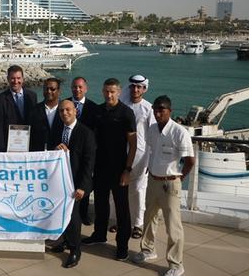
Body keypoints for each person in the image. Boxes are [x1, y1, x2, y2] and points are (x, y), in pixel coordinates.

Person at [133, 96, 195, 276]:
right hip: (153, 180)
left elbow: (190, 161)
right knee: (149, 218)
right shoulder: (152, 129)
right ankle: (148, 250)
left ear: (170, 111)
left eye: (162, 110)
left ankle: (176, 264)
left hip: (170, 183)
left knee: (173, 226)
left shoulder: (179, 132)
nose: (158, 113)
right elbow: (152, 152)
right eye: (156, 110)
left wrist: (179, 178)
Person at [82, 78, 137, 262]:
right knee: (100, 204)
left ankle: (123, 246)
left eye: (112, 91)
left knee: (122, 210)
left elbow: (133, 144)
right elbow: (89, 138)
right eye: (106, 91)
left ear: (119, 92)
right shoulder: (97, 111)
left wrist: (127, 170)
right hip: (100, 167)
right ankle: (99, 234)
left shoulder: (126, 113)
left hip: (119, 168)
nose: (109, 95)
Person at [50, 100, 96, 268]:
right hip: (60, 181)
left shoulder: (86, 133)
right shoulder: (56, 130)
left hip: (77, 183)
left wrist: (82, 187)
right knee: (61, 214)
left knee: (74, 217)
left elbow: (88, 163)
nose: (65, 113)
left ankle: (75, 250)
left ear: (75, 111)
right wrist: (56, 150)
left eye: (68, 110)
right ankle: (66, 241)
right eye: (61, 110)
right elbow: (49, 152)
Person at [119, 74, 155, 239]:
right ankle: (117, 220)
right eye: (133, 86)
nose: (135, 89)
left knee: (139, 189)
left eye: (139, 87)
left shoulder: (148, 108)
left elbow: (153, 135)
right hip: (121, 152)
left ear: (144, 89)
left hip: (141, 156)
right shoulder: (123, 105)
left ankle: (138, 224)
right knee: (119, 187)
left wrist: (150, 160)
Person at [68, 76, 98, 225]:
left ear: (85, 88)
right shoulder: (65, 104)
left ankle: (84, 214)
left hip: (86, 151)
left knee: (85, 182)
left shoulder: (94, 107)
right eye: (74, 86)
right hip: (68, 152)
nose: (77, 89)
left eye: (80, 87)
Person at [0, 65, 37, 151]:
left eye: (18, 78)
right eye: (12, 78)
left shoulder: (32, 96)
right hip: (8, 147)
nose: (16, 81)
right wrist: (2, 150)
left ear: (23, 79)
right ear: (8, 79)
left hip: (29, 146)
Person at [27, 78, 63, 151]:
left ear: (59, 91)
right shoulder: (33, 111)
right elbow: (28, 135)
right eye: (46, 89)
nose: (49, 91)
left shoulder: (66, 110)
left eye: (52, 89)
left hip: (60, 156)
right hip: (39, 156)